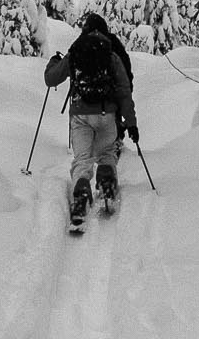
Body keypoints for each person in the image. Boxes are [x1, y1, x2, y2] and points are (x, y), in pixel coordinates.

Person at [44, 12, 137, 231]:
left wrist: (53, 62)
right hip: (107, 114)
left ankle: (81, 199)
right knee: (107, 153)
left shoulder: (76, 51)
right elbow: (125, 91)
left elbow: (51, 78)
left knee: (82, 160)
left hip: (80, 115)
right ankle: (106, 186)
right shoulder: (111, 55)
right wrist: (131, 123)